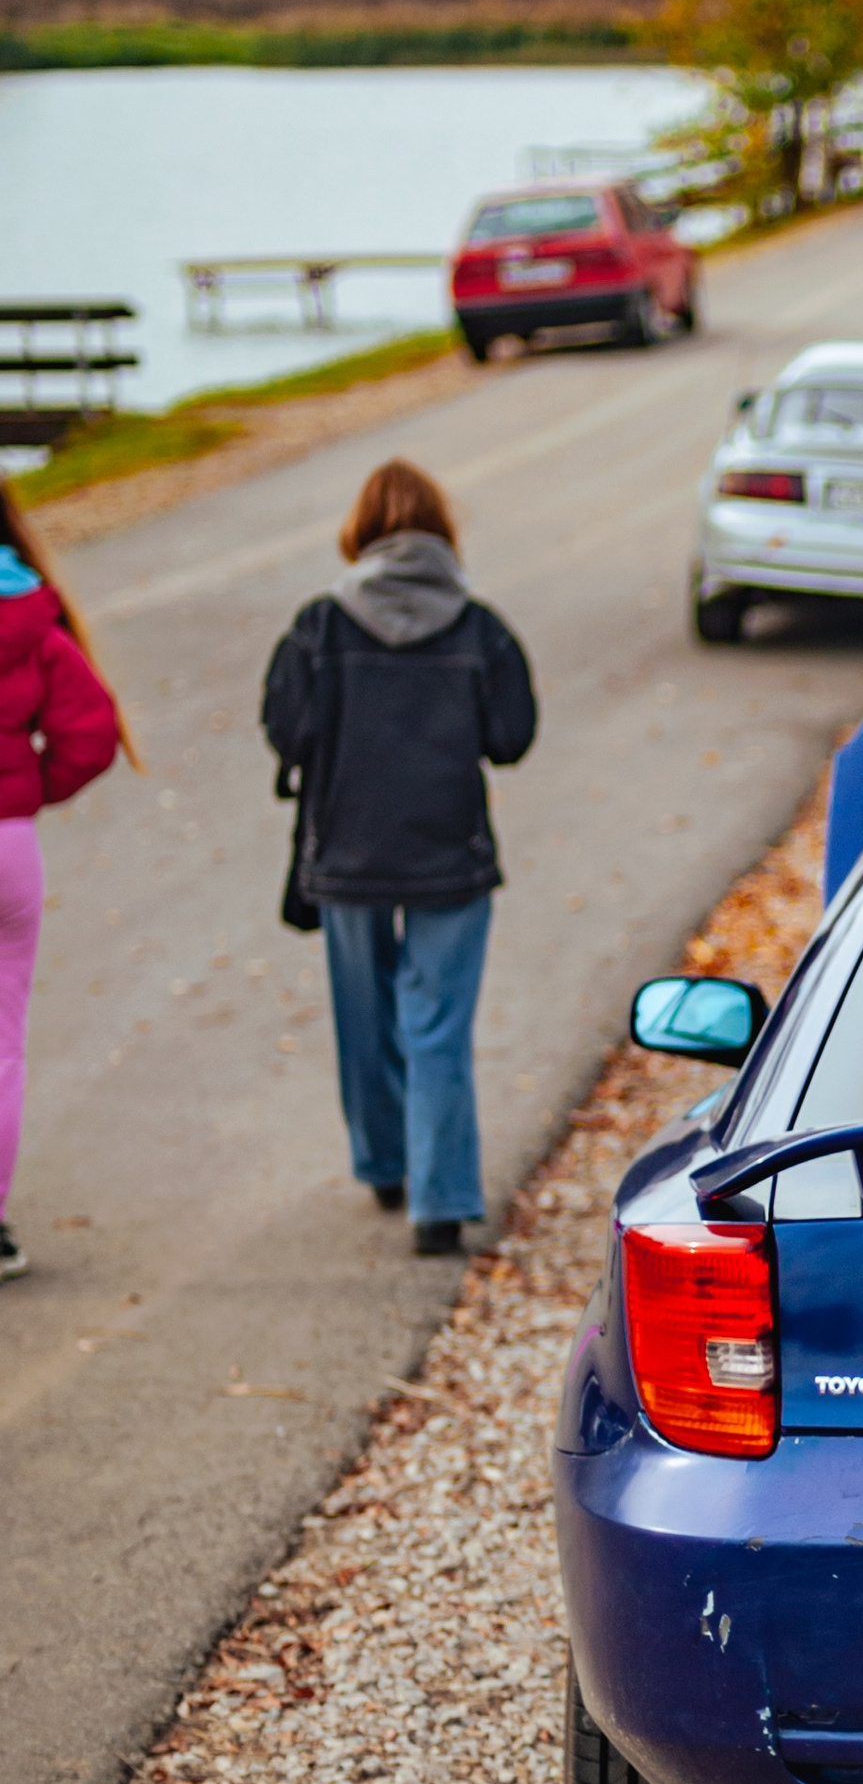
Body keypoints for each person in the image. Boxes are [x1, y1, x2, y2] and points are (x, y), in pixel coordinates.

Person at [261, 460, 537, 1258]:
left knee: (364, 1014)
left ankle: (385, 1163)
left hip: (348, 852)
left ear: (362, 532)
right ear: (441, 532)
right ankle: (440, 1201)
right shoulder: (480, 626)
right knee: (437, 1025)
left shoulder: (319, 624)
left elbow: (287, 729)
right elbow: (512, 737)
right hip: (450, 853)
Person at [0, 477, 134, 1285]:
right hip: (9, 847)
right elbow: (89, 732)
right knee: (2, 1042)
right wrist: (25, 792)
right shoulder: (28, 612)